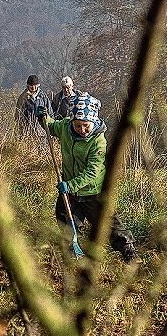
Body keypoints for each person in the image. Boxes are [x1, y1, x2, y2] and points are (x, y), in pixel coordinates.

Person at [37, 93, 138, 263]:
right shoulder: (65, 128)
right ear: (72, 122)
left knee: (107, 223)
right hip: (70, 190)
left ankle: (128, 250)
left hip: (93, 191)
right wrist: (43, 118)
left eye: (85, 126)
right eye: (77, 125)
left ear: (93, 122)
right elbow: (52, 127)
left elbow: (92, 172)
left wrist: (70, 185)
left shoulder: (98, 141)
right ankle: (72, 249)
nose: (82, 130)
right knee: (64, 218)